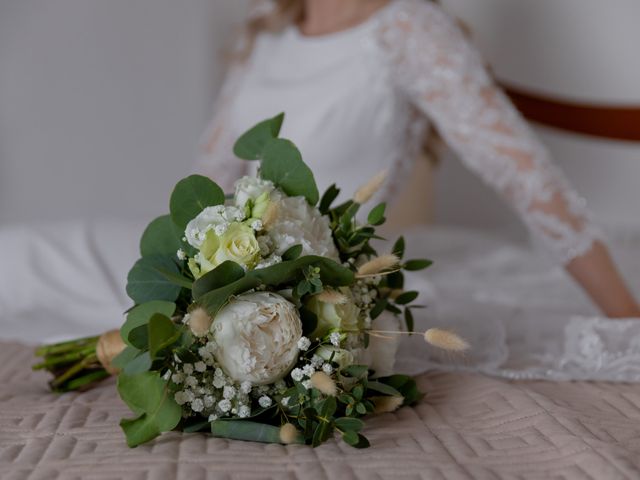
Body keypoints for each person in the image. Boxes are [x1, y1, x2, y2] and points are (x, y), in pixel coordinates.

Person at [195, 0, 640, 320]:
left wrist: (627, 318)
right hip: (237, 283)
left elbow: (527, 178)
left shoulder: (408, 26)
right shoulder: (265, 25)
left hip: (331, 299)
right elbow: (212, 179)